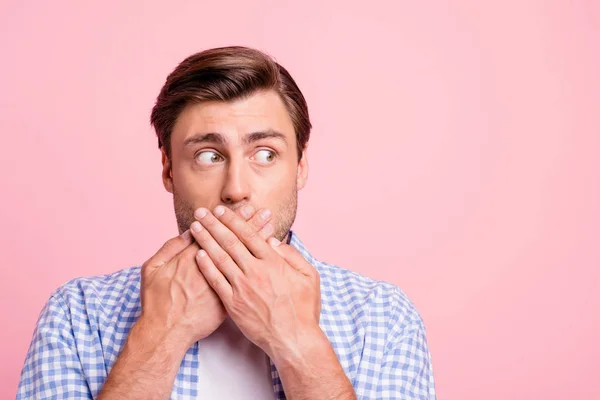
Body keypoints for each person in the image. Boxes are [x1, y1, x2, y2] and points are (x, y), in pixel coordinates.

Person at [16, 46, 436, 399]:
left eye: (266, 153)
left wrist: (297, 341)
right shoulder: (78, 315)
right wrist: (159, 336)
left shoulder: (383, 317)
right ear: (168, 170)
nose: (236, 189)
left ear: (301, 166)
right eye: (208, 156)